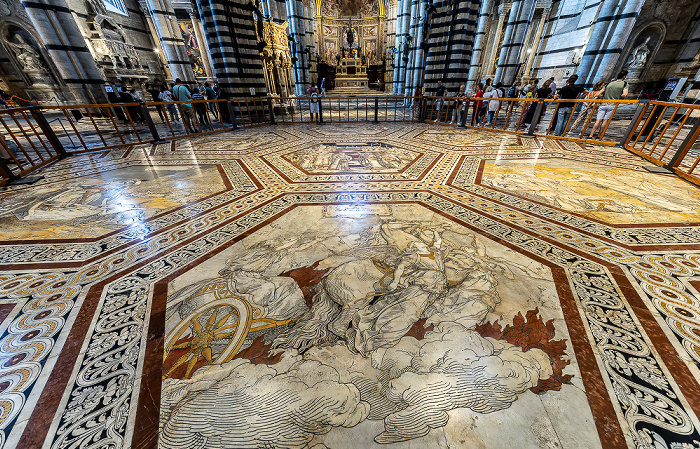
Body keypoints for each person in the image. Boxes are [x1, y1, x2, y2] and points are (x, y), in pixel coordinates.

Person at [589, 70, 629, 139]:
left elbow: (598, 94)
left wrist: (603, 96)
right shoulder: (625, 84)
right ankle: (598, 135)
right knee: (605, 120)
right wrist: (620, 95)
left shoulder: (609, 84)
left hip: (603, 104)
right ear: (624, 76)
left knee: (598, 120)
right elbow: (625, 94)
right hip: (612, 105)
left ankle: (591, 135)